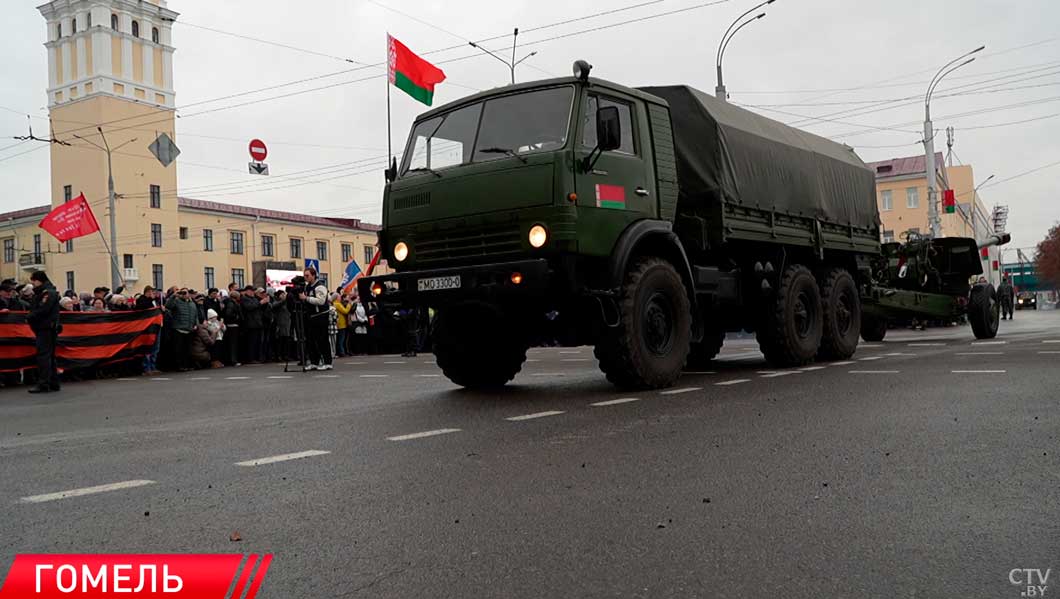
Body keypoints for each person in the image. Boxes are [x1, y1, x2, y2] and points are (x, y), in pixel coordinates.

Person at [26, 271, 61, 393]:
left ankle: (43, 383)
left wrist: (29, 316)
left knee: (43, 356)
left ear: (39, 280)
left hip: (45, 328)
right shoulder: (47, 292)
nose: (33, 284)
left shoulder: (47, 293)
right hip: (47, 327)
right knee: (49, 356)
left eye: (34, 281)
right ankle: (53, 382)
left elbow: (43, 309)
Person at [298, 267, 332, 371]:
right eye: (305, 275)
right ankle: (314, 362)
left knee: (322, 339)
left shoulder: (320, 286)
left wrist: (306, 298)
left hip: (321, 316)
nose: (306, 277)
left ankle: (327, 362)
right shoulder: (308, 287)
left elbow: (321, 301)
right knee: (311, 340)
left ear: (313, 275)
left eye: (307, 275)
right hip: (311, 316)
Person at [165, 288, 199, 371]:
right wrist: (173, 296)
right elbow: (168, 306)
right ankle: (180, 366)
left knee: (188, 349)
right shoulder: (176, 301)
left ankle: (187, 365)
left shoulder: (192, 303)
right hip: (178, 329)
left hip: (189, 329)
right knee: (179, 349)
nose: (184, 294)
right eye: (182, 293)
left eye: (185, 293)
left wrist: (196, 324)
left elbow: (196, 315)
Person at [135, 286, 162, 375]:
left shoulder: (154, 301)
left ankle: (153, 366)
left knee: (155, 348)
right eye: (152, 292)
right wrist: (150, 299)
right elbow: (142, 307)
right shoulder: (142, 299)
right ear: (147, 292)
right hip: (147, 328)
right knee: (148, 348)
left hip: (156, 326)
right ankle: (146, 367)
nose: (153, 294)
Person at [240, 286, 268, 364]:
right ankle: (251, 358)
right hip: (250, 323)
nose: (253, 292)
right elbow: (249, 307)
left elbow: (260, 309)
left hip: (257, 322)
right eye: (251, 291)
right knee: (251, 342)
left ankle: (257, 357)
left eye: (253, 291)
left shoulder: (255, 299)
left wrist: (265, 303)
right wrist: (260, 303)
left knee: (258, 342)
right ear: (247, 291)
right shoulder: (244, 299)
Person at [220, 289, 243, 366]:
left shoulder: (229, 303)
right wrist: (236, 317)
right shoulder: (231, 304)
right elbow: (228, 314)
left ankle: (230, 360)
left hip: (230, 326)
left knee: (230, 344)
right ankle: (233, 360)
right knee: (233, 344)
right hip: (233, 326)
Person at [272, 290, 292, 362]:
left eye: (284, 294)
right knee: (280, 341)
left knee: (286, 341)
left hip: (287, 324)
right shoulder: (276, 301)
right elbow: (274, 305)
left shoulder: (286, 303)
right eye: (282, 294)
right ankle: (278, 355)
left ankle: (285, 355)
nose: (283, 296)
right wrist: (284, 300)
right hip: (280, 324)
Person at [333, 293, 352, 358]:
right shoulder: (337, 304)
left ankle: (340, 352)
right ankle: (341, 352)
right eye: (339, 297)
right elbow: (345, 311)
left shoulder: (335, 303)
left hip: (339, 324)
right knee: (341, 339)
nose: (340, 298)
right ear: (336, 298)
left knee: (339, 339)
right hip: (341, 324)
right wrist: (349, 305)